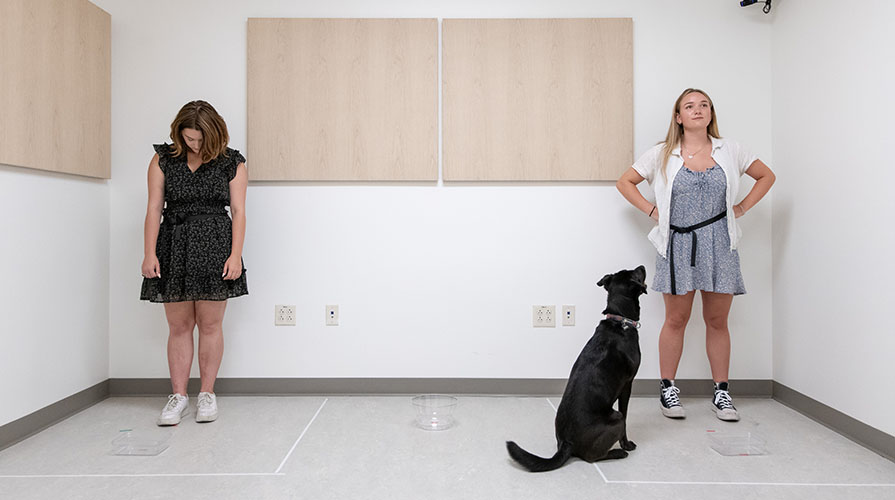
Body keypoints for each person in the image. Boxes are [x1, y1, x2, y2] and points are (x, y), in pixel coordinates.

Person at [616, 88, 775, 421]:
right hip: (677, 244)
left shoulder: (731, 150)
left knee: (717, 321)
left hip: (720, 243)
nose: (698, 110)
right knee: (676, 320)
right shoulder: (662, 153)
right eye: (689, 106)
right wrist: (652, 211)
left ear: (711, 113)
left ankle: (721, 392)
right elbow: (625, 182)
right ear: (678, 117)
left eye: (704, 105)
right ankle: (668, 389)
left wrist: (743, 207)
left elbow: (766, 176)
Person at [140, 100, 248, 425]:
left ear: (215, 134)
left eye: (201, 139)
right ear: (179, 133)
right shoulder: (163, 160)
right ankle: (178, 397)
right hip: (174, 244)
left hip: (216, 245)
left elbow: (239, 212)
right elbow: (153, 208)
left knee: (211, 325)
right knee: (179, 326)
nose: (195, 144)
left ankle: (207, 395)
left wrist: (235, 254)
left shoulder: (232, 163)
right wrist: (149, 253)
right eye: (189, 138)